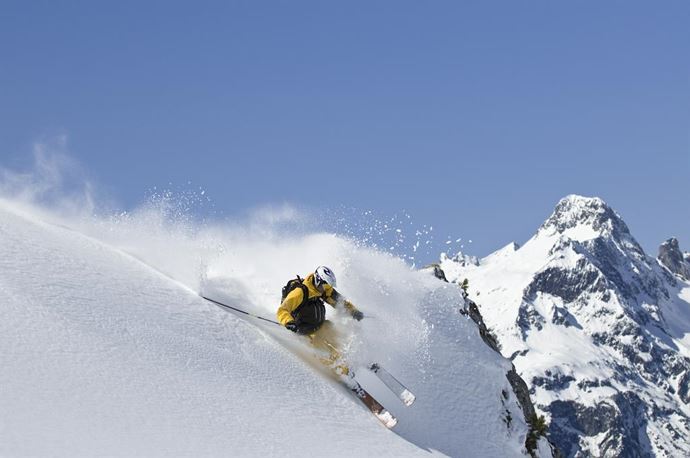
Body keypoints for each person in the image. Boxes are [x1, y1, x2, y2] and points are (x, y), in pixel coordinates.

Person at [277, 266, 363, 375]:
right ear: (318, 280)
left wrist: (353, 311)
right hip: (306, 331)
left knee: (341, 339)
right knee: (324, 352)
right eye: (325, 284)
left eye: (327, 285)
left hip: (321, 325)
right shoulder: (300, 292)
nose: (326, 287)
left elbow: (340, 302)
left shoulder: (323, 288)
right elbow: (282, 310)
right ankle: (342, 373)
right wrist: (289, 322)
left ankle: (358, 361)